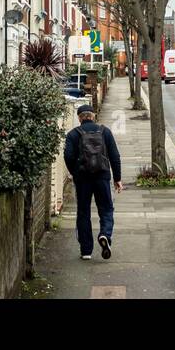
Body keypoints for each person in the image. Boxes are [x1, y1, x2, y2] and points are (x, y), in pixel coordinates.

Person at [63, 104, 123, 260]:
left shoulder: (73, 134)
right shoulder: (105, 132)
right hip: (102, 177)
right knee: (106, 209)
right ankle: (105, 234)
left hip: (83, 179)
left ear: (79, 118)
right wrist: (117, 178)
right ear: (93, 116)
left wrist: (75, 173)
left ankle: (86, 251)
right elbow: (115, 156)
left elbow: (68, 156)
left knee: (83, 212)